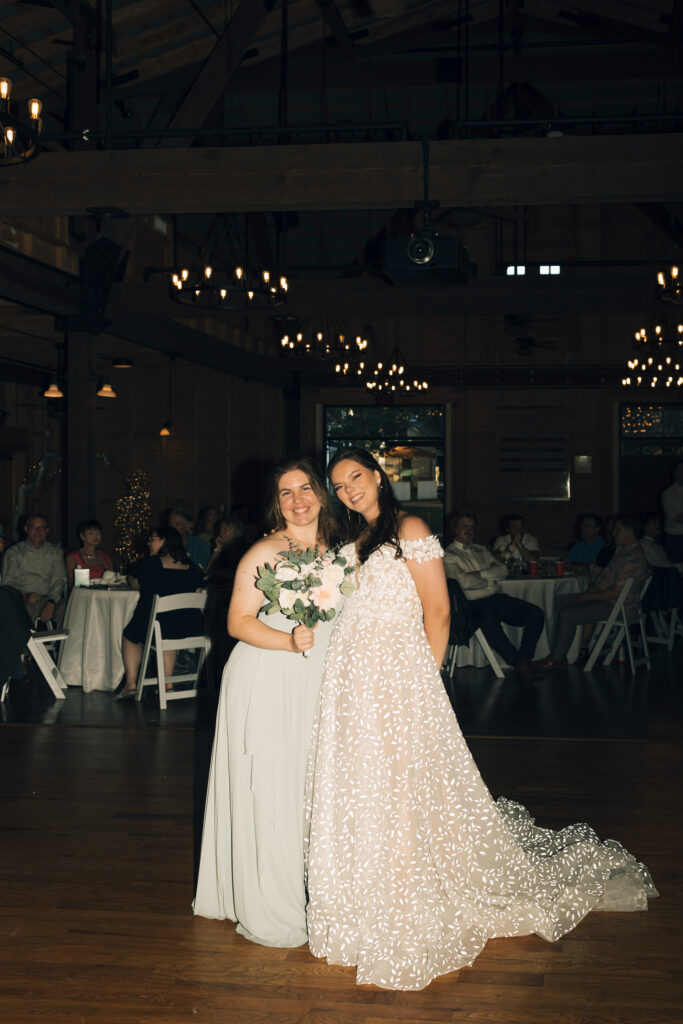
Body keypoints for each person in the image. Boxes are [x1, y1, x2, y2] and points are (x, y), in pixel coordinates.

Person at [306, 449, 655, 991]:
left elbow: (438, 610)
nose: (349, 488)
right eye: (339, 483)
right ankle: (365, 876)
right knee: (364, 777)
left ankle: (406, 877)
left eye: (356, 477)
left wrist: (423, 681)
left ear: (378, 476)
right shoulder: (349, 536)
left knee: (403, 777)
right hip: (352, 673)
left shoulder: (410, 526)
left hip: (399, 674)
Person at [194, 456, 343, 947]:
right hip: (268, 673)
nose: (298, 500)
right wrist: (289, 642)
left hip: (319, 679)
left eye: (305, 489)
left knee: (314, 785)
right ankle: (273, 901)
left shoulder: (341, 551)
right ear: (275, 504)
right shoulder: (263, 551)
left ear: (321, 494)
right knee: (274, 784)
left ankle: (318, 890)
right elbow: (237, 622)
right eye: (286, 492)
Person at [534, 515, 651, 670]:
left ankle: (558, 658)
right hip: (607, 599)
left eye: (618, 529)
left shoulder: (633, 558)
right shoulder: (622, 551)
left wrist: (588, 595)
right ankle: (560, 651)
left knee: (567, 614)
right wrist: (591, 591)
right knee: (558, 601)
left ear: (630, 532)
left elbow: (616, 592)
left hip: (618, 606)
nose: (613, 533)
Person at [443, 511, 544, 685]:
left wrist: (479, 576)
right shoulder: (448, 555)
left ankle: (524, 660)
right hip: (472, 604)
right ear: (455, 529)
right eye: (465, 526)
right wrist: (490, 579)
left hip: (496, 598)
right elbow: (465, 582)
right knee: (488, 620)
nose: (470, 530)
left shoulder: (482, 549)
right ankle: (520, 664)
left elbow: (503, 570)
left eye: (472, 526)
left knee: (536, 613)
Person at [118, 526, 204, 699]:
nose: (149, 542)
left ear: (166, 541)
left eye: (153, 538)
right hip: (190, 626)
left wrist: (130, 577)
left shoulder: (152, 563)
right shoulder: (191, 566)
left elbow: (135, 583)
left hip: (156, 626)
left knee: (131, 635)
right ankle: (168, 683)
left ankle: (131, 684)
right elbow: (197, 593)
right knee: (169, 631)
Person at [0, 513, 66, 627]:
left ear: (47, 530)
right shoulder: (14, 552)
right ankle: (26, 644)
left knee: (65, 607)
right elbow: (9, 581)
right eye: (34, 527)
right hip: (24, 598)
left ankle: (61, 643)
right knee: (22, 610)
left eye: (42, 528)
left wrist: (51, 601)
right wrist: (25, 596)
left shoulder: (55, 552)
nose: (38, 531)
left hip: (49, 597)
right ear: (26, 529)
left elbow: (59, 579)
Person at [65, 519, 113, 588]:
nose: (96, 536)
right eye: (91, 533)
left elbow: (112, 581)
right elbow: (71, 583)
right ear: (82, 536)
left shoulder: (105, 556)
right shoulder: (72, 557)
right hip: (83, 595)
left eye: (98, 532)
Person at [661, 459, 683, 562]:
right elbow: (676, 518)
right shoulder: (668, 494)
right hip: (675, 539)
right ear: (674, 472)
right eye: (680, 470)